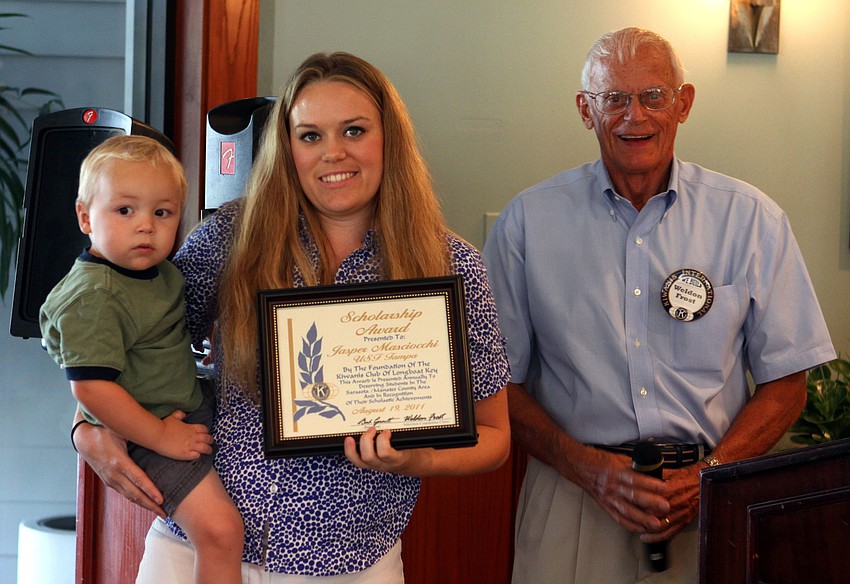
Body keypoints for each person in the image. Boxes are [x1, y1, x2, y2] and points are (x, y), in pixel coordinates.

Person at [73, 52, 511, 583]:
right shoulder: (231, 239)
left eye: (354, 130)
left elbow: (494, 437)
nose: (333, 153)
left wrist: (417, 460)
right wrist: (84, 426)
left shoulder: (451, 265)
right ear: (287, 148)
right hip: (196, 551)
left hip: (347, 565)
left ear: (389, 139)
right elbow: (122, 335)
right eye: (310, 136)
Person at [483, 27, 836, 584]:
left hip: (712, 500)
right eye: (614, 98)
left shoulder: (751, 220)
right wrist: (588, 468)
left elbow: (788, 382)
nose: (635, 116)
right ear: (585, 110)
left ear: (683, 103)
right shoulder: (526, 224)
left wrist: (710, 474)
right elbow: (498, 385)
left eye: (653, 96)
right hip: (574, 500)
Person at [40, 135, 244, 584]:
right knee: (221, 532)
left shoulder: (157, 273)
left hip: (180, 407)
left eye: (162, 213)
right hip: (146, 431)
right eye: (125, 210)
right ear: (85, 216)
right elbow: (90, 387)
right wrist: (160, 436)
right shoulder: (95, 295)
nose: (146, 226)